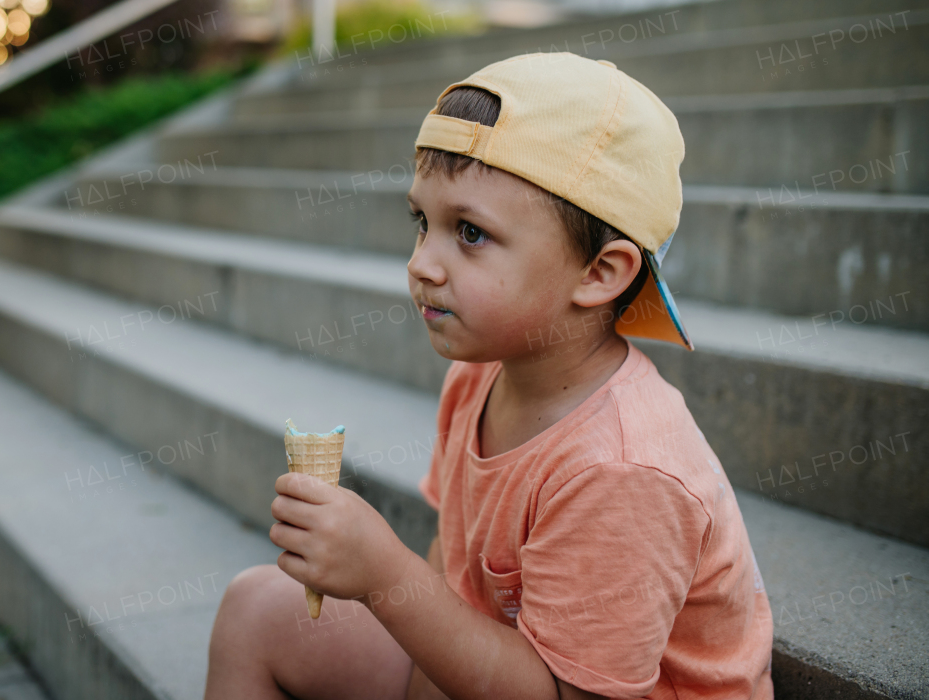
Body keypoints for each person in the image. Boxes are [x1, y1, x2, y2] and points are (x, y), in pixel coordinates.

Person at [203, 53, 773, 700]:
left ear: (599, 273)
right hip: (500, 670)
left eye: (469, 233)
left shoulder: (623, 469)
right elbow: (452, 575)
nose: (423, 263)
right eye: (424, 222)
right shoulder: (480, 381)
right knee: (254, 609)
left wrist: (386, 573)